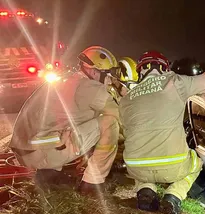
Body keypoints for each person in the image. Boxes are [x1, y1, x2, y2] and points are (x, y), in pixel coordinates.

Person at [9, 46, 121, 195]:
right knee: (109, 123)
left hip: (25, 151)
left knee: (70, 124)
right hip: (44, 152)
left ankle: (48, 175)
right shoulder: (90, 87)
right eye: (107, 74)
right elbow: (120, 115)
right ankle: (92, 184)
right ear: (94, 71)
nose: (109, 79)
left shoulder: (64, 80)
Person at [119, 50, 205, 214]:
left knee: (140, 156)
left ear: (140, 70)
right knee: (196, 164)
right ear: (164, 68)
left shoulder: (126, 98)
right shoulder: (175, 82)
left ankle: (145, 189)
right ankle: (174, 195)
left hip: (135, 167)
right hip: (173, 165)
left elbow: (125, 129)